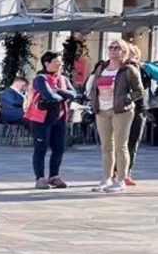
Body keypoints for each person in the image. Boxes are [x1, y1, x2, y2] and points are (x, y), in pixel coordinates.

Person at [84, 38, 145, 193]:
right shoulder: (102, 68)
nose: (112, 50)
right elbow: (94, 87)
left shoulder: (129, 70)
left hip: (121, 110)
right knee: (106, 146)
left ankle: (121, 180)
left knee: (121, 145)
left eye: (116, 48)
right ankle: (106, 179)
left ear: (124, 51)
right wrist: (94, 102)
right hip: (102, 110)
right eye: (111, 47)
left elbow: (139, 91)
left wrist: (126, 99)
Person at [29, 50, 78, 189]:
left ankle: (54, 176)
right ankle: (40, 177)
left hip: (60, 118)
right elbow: (49, 96)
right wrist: (62, 95)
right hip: (41, 119)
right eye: (57, 62)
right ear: (47, 63)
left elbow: (74, 94)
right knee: (41, 149)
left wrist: (57, 91)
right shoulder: (40, 79)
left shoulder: (63, 79)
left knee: (59, 148)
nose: (60, 65)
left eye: (61, 63)